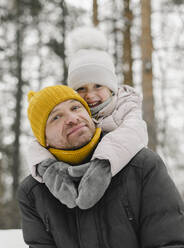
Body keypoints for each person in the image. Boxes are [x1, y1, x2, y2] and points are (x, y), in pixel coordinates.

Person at [17, 85, 184, 248]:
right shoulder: (33, 193)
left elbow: (170, 242)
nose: (72, 118)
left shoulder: (142, 166)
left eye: (75, 108)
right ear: (43, 139)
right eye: (56, 117)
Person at [25, 26, 148, 209]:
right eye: (81, 89)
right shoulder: (75, 114)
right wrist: (48, 168)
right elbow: (38, 143)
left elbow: (132, 134)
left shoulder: (125, 107)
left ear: (111, 88)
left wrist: (103, 164)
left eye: (98, 86)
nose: (90, 95)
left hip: (122, 178)